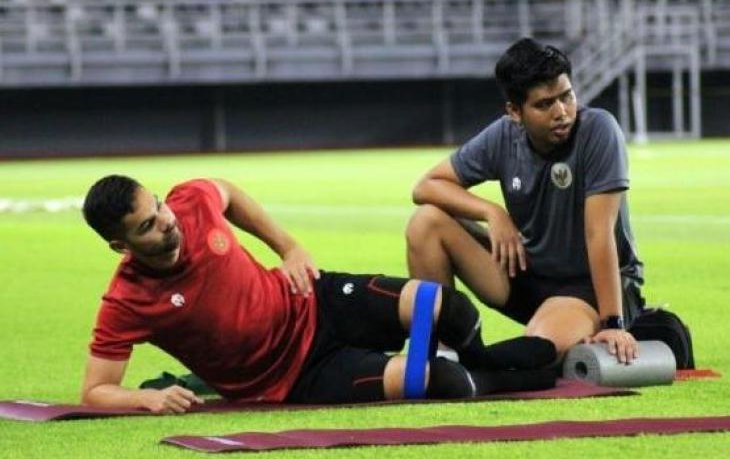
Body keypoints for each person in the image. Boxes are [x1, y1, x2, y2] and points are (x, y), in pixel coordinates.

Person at [80, 175, 556, 413]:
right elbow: (94, 391)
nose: (167, 222)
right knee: (442, 383)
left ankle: (486, 362)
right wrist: (145, 400)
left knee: (448, 308)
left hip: (314, 297)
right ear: (121, 246)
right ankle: (502, 376)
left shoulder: (189, 203)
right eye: (148, 226)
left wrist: (288, 247)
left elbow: (226, 191)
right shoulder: (126, 302)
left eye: (159, 207)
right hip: (296, 377)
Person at [406, 38, 644, 365]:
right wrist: (492, 212)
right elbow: (426, 187)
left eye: (567, 96)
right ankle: (441, 354)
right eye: (545, 104)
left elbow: (598, 233)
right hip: (528, 273)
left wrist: (613, 324)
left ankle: (578, 326)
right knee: (426, 223)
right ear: (515, 112)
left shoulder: (599, 130)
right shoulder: (504, 136)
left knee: (534, 352)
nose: (562, 112)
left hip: (588, 288)